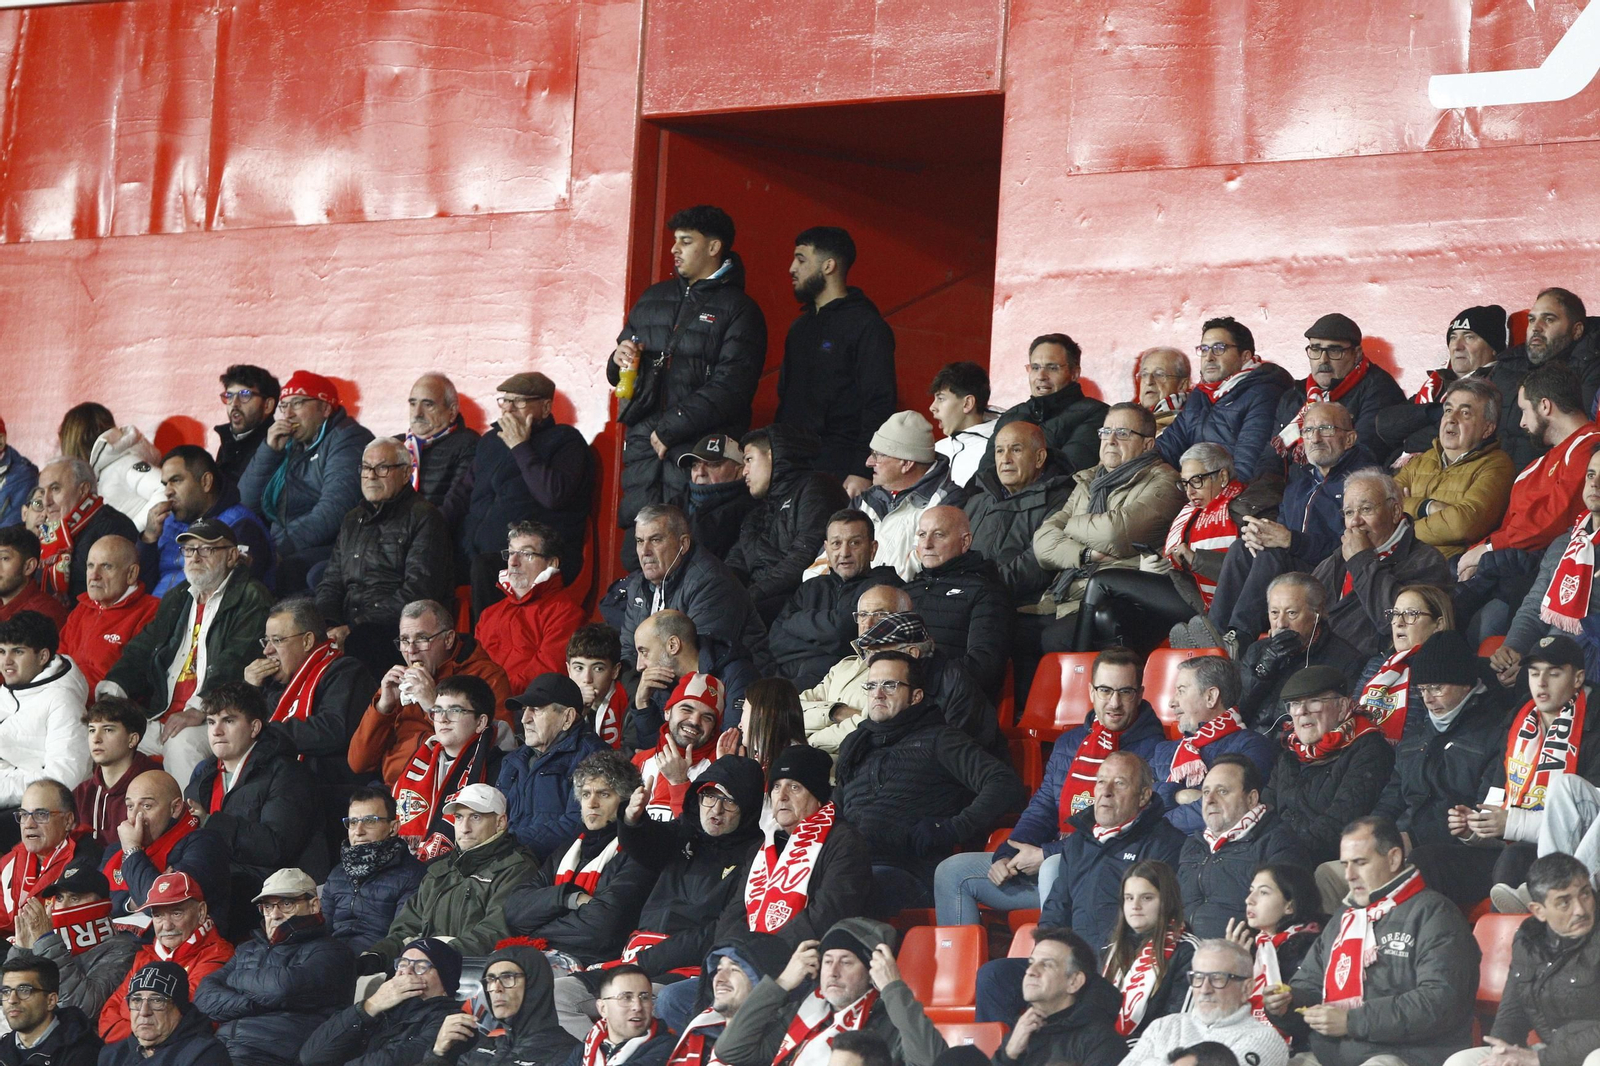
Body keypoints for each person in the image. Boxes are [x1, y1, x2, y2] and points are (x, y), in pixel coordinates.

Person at [631, 747, 872, 1034]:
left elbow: (825, 916)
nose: (781, 797)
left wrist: (760, 960)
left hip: (804, 971)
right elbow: (733, 917)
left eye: (794, 787)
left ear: (818, 795)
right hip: (748, 967)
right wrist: (740, 962)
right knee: (673, 1000)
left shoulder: (844, 842)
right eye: (777, 787)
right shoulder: (764, 847)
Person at [934, 646, 1169, 926]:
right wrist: (1009, 853)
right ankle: (963, 968)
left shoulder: (1158, 751)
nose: (1114, 703)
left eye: (1125, 692)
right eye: (1105, 691)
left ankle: (1057, 960)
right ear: (1092, 692)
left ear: (1140, 694)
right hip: (1052, 858)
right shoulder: (1069, 744)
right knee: (951, 873)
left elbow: (1133, 831)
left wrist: (1047, 854)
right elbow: (1043, 806)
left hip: (1110, 873)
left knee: (1052, 869)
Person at [566, 756, 765, 1033]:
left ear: (749, 808)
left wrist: (648, 960)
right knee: (558, 993)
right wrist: (633, 819)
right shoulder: (686, 832)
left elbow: (720, 931)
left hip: (679, 968)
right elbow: (648, 845)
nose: (716, 809)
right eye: (709, 796)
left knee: (639, 1007)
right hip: (636, 955)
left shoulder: (757, 857)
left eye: (729, 801)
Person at [611, 206, 766, 553]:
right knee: (639, 560)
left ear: (714, 247)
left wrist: (672, 427)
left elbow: (734, 385)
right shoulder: (653, 297)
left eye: (685, 241)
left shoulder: (741, 310)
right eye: (674, 242)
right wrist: (617, 359)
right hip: (643, 456)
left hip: (698, 456)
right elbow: (622, 363)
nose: (674, 250)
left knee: (694, 556)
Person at [1270, 816, 1479, 1066]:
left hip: (1407, 1055)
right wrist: (1287, 1005)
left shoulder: (1435, 914)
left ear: (1393, 859)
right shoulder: (1344, 918)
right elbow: (1312, 987)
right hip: (1332, 1055)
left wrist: (1351, 1021)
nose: (1349, 875)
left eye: (1360, 863)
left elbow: (1440, 1003)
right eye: (1345, 864)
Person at [834, 651, 1021, 914]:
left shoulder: (941, 740)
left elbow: (1003, 783)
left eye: (890, 685)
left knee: (845, 891)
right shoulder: (856, 746)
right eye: (872, 685)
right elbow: (834, 812)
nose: (878, 694)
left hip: (908, 872)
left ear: (916, 696)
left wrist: (952, 828)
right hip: (849, 866)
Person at [1178, 401, 1369, 656]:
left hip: (1331, 571)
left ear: (1350, 438)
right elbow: (1282, 526)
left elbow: (1351, 544)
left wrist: (1290, 540)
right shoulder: (1301, 481)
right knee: (1243, 548)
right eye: (1309, 430)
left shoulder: (1362, 482)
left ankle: (1239, 637)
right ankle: (1214, 634)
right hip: (1294, 566)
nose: (1315, 437)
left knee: (1273, 554)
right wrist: (1260, 534)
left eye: (1326, 429)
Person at [99, 518, 274, 786]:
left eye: (206, 550)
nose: (194, 557)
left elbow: (237, 658)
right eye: (189, 550)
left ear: (231, 556)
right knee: (103, 735)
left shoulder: (251, 595)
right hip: (162, 714)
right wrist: (114, 690)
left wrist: (199, 708)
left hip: (216, 718)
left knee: (181, 745)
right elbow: (145, 645)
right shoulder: (179, 596)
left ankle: (193, 825)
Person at [1078, 442, 1276, 658]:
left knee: (1100, 581)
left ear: (1223, 477)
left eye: (1197, 481)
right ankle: (1122, 676)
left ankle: (1076, 664)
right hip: (1179, 586)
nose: (1190, 492)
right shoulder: (1191, 511)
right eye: (1184, 484)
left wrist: (1196, 559)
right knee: (1109, 614)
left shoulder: (1246, 510)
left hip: (1205, 600)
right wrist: (1154, 565)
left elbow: (1249, 571)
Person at [1454, 364, 1600, 644]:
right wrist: (1481, 551)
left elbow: (1553, 521)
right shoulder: (1536, 465)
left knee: (1483, 629)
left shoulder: (1590, 449)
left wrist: (1488, 549)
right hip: (1508, 568)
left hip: (1540, 573)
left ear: (1545, 406)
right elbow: (1511, 525)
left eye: (1524, 409)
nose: (1521, 422)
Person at [1029, 402, 1184, 661]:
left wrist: (1069, 525)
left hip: (1120, 598)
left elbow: (1116, 533)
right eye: (1105, 431)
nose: (1110, 440)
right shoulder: (1089, 480)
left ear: (1147, 444)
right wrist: (1088, 554)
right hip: (1070, 592)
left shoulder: (1165, 480)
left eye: (1123, 433)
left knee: (1055, 639)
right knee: (1014, 633)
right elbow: (1042, 544)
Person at [1460, 634, 1600, 911]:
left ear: (1578, 678)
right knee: (1428, 860)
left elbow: (1587, 814)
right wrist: (1477, 826)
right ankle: (1550, 892)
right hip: (1524, 841)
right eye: (1534, 673)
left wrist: (1513, 823)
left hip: (1577, 839)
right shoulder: (1518, 717)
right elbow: (1496, 795)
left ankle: (1558, 892)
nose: (1541, 683)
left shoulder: (1595, 720)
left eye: (1554, 673)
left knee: (1516, 858)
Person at [181, 682, 325, 934]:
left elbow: (275, 847)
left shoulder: (286, 773)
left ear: (255, 727)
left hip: (265, 894)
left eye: (228, 721)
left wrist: (210, 823)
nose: (216, 731)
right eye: (211, 722)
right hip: (219, 883)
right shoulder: (205, 773)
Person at [1384, 630, 1514, 908]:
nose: (1428, 699)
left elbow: (1482, 815)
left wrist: (1413, 839)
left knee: (1420, 863)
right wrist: (1377, 837)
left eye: (1437, 688)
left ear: (1466, 684)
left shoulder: (1495, 733)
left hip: (1467, 853)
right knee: (1336, 869)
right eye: (1422, 690)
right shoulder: (1416, 736)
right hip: (1408, 845)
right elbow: (1390, 800)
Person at [443, 372, 594, 605]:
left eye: (520, 402)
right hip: (475, 551)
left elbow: (552, 495)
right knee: (430, 561)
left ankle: (484, 642)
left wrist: (520, 446)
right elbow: (462, 493)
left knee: (485, 568)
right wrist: (430, 527)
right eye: (505, 401)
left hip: (538, 556)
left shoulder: (566, 441)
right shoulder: (491, 441)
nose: (509, 409)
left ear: (545, 407)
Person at [1441, 853, 1600, 1066]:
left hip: (1583, 1053)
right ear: (1539, 911)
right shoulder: (1530, 938)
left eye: (1585, 895)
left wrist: (1542, 1059)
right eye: (1564, 903)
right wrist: (1502, 1048)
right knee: (1461, 1062)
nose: (1580, 910)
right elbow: (1514, 1005)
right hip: (1551, 1054)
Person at [315, 437, 453, 675]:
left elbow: (418, 592)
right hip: (349, 625)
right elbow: (331, 582)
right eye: (366, 468)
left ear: (406, 473)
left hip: (394, 629)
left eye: (382, 468)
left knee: (361, 644)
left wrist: (353, 627)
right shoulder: (352, 519)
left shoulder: (425, 517)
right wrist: (327, 624)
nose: (371, 476)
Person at [192, 868, 356, 1066]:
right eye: (267, 906)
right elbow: (204, 998)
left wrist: (236, 979)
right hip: (220, 1050)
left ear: (314, 905)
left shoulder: (333, 952)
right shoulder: (247, 948)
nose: (275, 915)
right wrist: (255, 1002)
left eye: (286, 904)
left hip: (275, 1055)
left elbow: (283, 989)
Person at [775, 226, 897, 491]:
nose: (791, 268)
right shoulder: (799, 328)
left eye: (801, 258)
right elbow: (785, 401)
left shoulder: (867, 326)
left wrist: (861, 469)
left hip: (839, 469)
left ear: (829, 266)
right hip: (789, 467)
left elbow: (879, 403)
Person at [242, 597, 375, 839]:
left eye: (277, 640)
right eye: (266, 641)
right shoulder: (276, 685)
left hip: (327, 786)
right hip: (285, 784)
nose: (267, 650)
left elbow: (333, 729)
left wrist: (265, 732)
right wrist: (252, 690)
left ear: (307, 640)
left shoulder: (345, 671)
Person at [503, 752, 651, 968]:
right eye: (585, 794)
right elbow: (515, 910)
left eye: (604, 794)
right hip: (544, 958)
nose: (592, 804)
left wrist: (538, 927)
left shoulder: (636, 852)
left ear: (626, 802)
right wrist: (570, 898)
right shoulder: (566, 850)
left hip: (595, 967)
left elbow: (603, 928)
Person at [346, 599, 512, 788]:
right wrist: (382, 707)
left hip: (455, 788)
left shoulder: (486, 676)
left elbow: (494, 749)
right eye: (404, 640)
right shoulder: (398, 683)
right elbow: (358, 763)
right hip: (396, 789)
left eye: (422, 639)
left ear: (448, 639)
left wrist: (433, 705)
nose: (410, 650)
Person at [366, 784, 539, 965]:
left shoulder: (518, 868)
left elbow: (495, 931)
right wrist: (378, 955)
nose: (464, 828)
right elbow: (406, 928)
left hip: (479, 975)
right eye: (458, 817)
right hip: (425, 968)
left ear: (500, 822)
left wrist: (434, 956)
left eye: (476, 817)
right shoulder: (440, 870)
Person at [238, 370, 375, 592]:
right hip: (285, 541)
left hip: (333, 545)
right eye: (284, 406)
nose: (288, 414)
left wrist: (279, 548)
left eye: (298, 403)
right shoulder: (289, 444)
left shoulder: (348, 439)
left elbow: (335, 509)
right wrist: (269, 452)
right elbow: (245, 504)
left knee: (289, 570)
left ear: (325, 408)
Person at [712, 920, 906, 1066]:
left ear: (872, 971)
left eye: (846, 962)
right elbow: (730, 1049)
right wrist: (782, 983)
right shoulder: (804, 1011)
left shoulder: (891, 1023)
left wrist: (893, 988)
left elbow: (930, 1059)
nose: (834, 972)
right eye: (828, 961)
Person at [1309, 468, 1453, 659]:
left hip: (1370, 670)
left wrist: (1361, 559)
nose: (1355, 522)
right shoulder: (1335, 560)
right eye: (1349, 512)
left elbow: (1393, 623)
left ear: (1395, 511)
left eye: (1366, 509)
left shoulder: (1427, 561)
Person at [1260, 667, 1395, 869]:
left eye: (1314, 701)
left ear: (1341, 707)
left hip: (1328, 864)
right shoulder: (1289, 755)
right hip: (1280, 858)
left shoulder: (1369, 750)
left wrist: (1283, 857)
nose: (1302, 712)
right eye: (1295, 704)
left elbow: (1339, 825)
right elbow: (1264, 812)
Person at [615, 504, 773, 676]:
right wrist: (637, 696)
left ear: (683, 544)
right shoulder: (639, 586)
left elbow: (697, 661)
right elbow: (629, 653)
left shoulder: (712, 583)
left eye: (655, 540)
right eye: (639, 541)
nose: (645, 551)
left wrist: (648, 695)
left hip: (739, 690)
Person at [371, 673, 504, 861]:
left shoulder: (498, 767)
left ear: (480, 722)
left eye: (455, 711)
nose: (443, 719)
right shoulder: (420, 760)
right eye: (438, 711)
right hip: (402, 867)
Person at [1497, 447, 1600, 683]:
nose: (1595, 484)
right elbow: (1535, 606)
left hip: (1587, 669)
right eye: (1591, 475)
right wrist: (1514, 649)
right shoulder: (1564, 543)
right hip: (1546, 661)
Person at [726, 427, 849, 624]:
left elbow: (803, 557)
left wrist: (748, 597)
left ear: (772, 455)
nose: (744, 472)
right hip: (759, 601)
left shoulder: (816, 487)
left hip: (799, 603)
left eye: (749, 460)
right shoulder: (757, 512)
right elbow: (735, 563)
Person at [769, 509, 902, 691]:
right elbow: (777, 641)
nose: (844, 552)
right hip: (791, 685)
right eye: (836, 544)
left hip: (851, 689)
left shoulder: (885, 588)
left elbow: (842, 632)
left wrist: (797, 622)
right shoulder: (810, 587)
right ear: (827, 548)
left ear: (873, 549)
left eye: (855, 543)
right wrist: (829, 649)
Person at [99, 873, 234, 1043]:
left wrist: (132, 1018)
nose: (166, 925)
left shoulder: (218, 955)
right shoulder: (145, 956)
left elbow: (181, 1019)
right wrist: (145, 1035)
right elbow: (107, 1020)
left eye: (176, 914)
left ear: (201, 912)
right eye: (158, 915)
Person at [1177, 758, 1303, 938]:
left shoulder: (1278, 841)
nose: (1210, 800)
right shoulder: (1194, 844)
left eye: (1222, 791)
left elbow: (1289, 914)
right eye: (1206, 792)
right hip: (1182, 953)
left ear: (1251, 798)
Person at [962, 422, 1074, 627]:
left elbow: (1039, 562)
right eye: (999, 451)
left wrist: (982, 589)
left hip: (1018, 608)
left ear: (1039, 457)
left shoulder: (1063, 499)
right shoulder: (978, 498)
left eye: (1016, 450)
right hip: (967, 599)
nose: (1005, 459)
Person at [1157, 317, 1294, 482]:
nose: (1209, 357)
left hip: (1232, 498)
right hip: (1195, 491)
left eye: (1219, 348)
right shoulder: (1200, 395)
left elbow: (1247, 471)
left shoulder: (1265, 393)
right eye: (1204, 349)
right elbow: (1165, 449)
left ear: (1245, 357)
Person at [4, 861, 140, 1026]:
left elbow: (82, 1009)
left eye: (74, 898)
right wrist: (23, 950)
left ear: (100, 903)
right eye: (60, 898)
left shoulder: (123, 948)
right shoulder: (47, 943)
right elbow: (7, 1002)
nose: (63, 906)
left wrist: (47, 941)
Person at [1391, 379, 1514, 558]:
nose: (1451, 418)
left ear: (1487, 429)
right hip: (1396, 561)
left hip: (1439, 571)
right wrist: (1427, 507)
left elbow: (1462, 524)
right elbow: (1385, 504)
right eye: (1448, 410)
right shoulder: (1423, 459)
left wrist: (1401, 530)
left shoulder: (1497, 466)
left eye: (1465, 413)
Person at [1151, 659, 1277, 834]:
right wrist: (1178, 795)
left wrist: (1154, 825)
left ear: (1211, 697)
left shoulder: (1252, 747)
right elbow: (1137, 797)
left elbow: (1225, 810)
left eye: (1181, 691)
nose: (1172, 702)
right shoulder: (1164, 750)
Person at [1374, 305, 1516, 459]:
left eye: (1469, 337)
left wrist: (1410, 434)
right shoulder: (1437, 384)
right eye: (1453, 337)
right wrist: (1437, 412)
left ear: (1493, 348)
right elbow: (1384, 423)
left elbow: (1440, 439)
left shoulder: (1496, 385)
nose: (1457, 346)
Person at [1119, 939, 1288, 1066]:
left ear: (1247, 988)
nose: (1205, 989)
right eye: (1198, 977)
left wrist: (1152, 1062)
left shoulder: (1265, 1039)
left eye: (1218, 978)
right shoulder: (1163, 1026)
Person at [299, 938, 463, 1066]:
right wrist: (369, 1006)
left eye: (421, 966)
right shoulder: (380, 1006)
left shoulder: (449, 1019)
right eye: (402, 964)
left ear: (445, 981)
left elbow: (398, 1059)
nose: (406, 971)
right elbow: (311, 1056)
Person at [1235, 574, 1367, 730]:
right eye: (1274, 613)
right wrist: (1263, 672)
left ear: (1316, 614)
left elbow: (1339, 722)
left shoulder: (1346, 659)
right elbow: (1238, 712)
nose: (1281, 624)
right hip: (1252, 741)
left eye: (1292, 613)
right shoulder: (1256, 651)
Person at [902, 506, 1011, 696]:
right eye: (921, 534)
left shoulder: (986, 591)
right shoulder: (907, 590)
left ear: (965, 541)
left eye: (938, 535)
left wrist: (915, 678)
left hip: (948, 704)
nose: (927, 544)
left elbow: (984, 667)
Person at [137, 445, 273, 596]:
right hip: (152, 612)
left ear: (206, 482)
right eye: (165, 484)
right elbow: (141, 585)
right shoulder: (167, 522)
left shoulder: (242, 527)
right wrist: (148, 539)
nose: (168, 491)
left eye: (176, 480)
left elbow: (232, 597)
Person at [498, 674, 607, 859]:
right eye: (524, 710)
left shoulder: (594, 758)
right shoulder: (513, 760)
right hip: (507, 861)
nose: (524, 719)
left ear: (567, 718)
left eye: (536, 710)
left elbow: (580, 823)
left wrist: (512, 843)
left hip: (553, 868)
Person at [1272, 314, 1407, 464]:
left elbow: (1361, 456)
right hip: (1295, 486)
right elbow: (1270, 460)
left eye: (1334, 351)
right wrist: (1265, 487)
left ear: (1356, 354)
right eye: (1316, 349)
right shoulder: (1295, 395)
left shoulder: (1380, 390)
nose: (1323, 359)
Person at [100, 770, 229, 921]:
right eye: (129, 806)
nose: (134, 817)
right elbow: (92, 903)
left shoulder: (204, 844)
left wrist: (132, 850)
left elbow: (163, 906)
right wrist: (131, 902)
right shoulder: (115, 850)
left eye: (147, 806)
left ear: (175, 808)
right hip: (117, 940)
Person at [852, 411, 967, 580]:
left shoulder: (946, 502)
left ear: (906, 463)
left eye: (878, 455)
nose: (868, 462)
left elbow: (920, 568)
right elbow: (827, 559)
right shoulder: (864, 501)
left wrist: (868, 594)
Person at [424, 940, 577, 1066]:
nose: (496, 988)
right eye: (490, 980)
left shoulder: (568, 1055)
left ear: (535, 984)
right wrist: (438, 1054)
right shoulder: (485, 1045)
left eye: (508, 977)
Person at [476, 520, 587, 693]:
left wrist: (491, 696)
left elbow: (545, 675)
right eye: (511, 553)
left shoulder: (566, 614)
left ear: (552, 563)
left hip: (525, 710)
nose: (513, 562)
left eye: (526, 554)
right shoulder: (489, 615)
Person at [989, 927, 1124, 1066]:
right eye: (1031, 963)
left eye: (1046, 965)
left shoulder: (1102, 1042)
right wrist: (1008, 1055)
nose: (1030, 971)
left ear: (1074, 982)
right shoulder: (1020, 1032)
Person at [1496, 289, 1599, 471]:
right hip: (1490, 476)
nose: (1536, 327)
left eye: (1549, 319)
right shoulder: (1507, 364)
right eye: (1531, 319)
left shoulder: (1591, 367)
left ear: (1577, 331)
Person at [1226, 864, 1325, 1051]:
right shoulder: (1246, 945)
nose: (1249, 900)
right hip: (1238, 1039)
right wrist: (1231, 966)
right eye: (1250, 891)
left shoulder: (1314, 945)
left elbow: (1305, 1011)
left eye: (1263, 893)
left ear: (1290, 905)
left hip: (1295, 1047)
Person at [648, 938, 792, 1066]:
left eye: (734, 969)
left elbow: (731, 1048)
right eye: (718, 969)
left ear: (763, 983)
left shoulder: (777, 1041)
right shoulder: (699, 1032)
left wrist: (781, 984)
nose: (719, 978)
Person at [626, 610, 753, 754]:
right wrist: (643, 705)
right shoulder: (663, 683)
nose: (639, 666)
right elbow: (656, 753)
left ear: (673, 645)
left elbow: (733, 748)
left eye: (644, 652)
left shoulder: (736, 673)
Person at [1098, 862, 1198, 1043]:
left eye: (1146, 898)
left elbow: (1178, 1026)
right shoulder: (1110, 951)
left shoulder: (1188, 951)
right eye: (1129, 898)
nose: (1135, 905)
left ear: (1166, 901)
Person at [0, 613, 92, 806]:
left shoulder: (63, 701)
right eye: (1, 651)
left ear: (43, 656)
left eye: (17, 652)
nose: (6, 661)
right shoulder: (8, 691)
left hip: (37, 808)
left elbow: (64, 777)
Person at [321, 788, 427, 954]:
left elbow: (402, 937)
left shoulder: (413, 874)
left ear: (393, 827)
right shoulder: (337, 874)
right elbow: (321, 931)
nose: (359, 831)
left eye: (370, 821)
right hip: (332, 960)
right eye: (353, 822)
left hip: (377, 963)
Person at [987, 334, 1110, 476]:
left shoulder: (1098, 414)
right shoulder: (1012, 415)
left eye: (1052, 368)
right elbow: (984, 477)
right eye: (1035, 367)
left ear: (1075, 373)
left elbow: (1067, 474)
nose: (1041, 376)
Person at [1355, 584, 1456, 744]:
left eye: (1411, 614)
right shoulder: (1376, 665)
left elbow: (1432, 733)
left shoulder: (1447, 670)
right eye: (1395, 614)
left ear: (1439, 624)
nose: (1399, 622)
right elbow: (1352, 715)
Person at [59, 536, 160, 691]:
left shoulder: (151, 612)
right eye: (90, 566)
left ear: (131, 574)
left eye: (106, 566)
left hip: (106, 708)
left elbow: (132, 678)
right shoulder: (82, 608)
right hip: (64, 697)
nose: (94, 575)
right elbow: (58, 661)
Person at [35, 457, 140, 603]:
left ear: (83, 490)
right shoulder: (47, 532)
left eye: (55, 489)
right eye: (42, 492)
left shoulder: (115, 526)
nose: (46, 501)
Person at [0, 780, 96, 935]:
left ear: (68, 820)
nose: (29, 824)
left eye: (41, 814)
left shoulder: (86, 861)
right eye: (24, 814)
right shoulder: (9, 863)